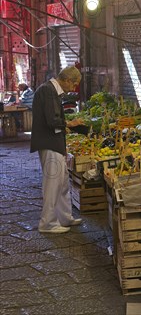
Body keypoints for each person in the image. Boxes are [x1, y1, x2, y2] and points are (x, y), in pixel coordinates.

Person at [31, 66, 85, 233]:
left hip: (55, 143)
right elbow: (52, 121)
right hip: (49, 143)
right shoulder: (48, 91)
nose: (74, 87)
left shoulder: (50, 90)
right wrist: (71, 124)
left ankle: (64, 217)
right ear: (67, 80)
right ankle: (47, 223)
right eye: (74, 83)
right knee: (52, 184)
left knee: (61, 182)